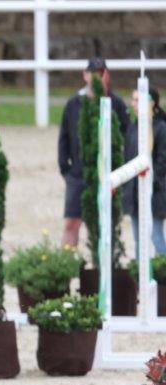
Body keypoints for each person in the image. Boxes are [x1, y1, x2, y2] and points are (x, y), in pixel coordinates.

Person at [58, 57, 130, 248]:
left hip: (107, 173)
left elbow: (127, 135)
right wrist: (65, 168)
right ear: (85, 75)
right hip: (78, 174)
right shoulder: (74, 103)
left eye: (100, 74)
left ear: (106, 76)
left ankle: (103, 261)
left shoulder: (116, 103)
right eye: (93, 74)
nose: (97, 78)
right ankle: (66, 262)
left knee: (104, 224)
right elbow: (64, 136)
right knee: (71, 223)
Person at [123, 87, 166, 260]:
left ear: (151, 103)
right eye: (133, 99)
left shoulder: (161, 128)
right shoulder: (133, 127)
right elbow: (127, 158)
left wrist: (150, 181)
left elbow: (162, 161)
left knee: (155, 236)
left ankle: (163, 268)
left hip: (155, 191)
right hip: (134, 191)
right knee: (138, 239)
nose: (133, 104)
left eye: (138, 100)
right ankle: (139, 271)